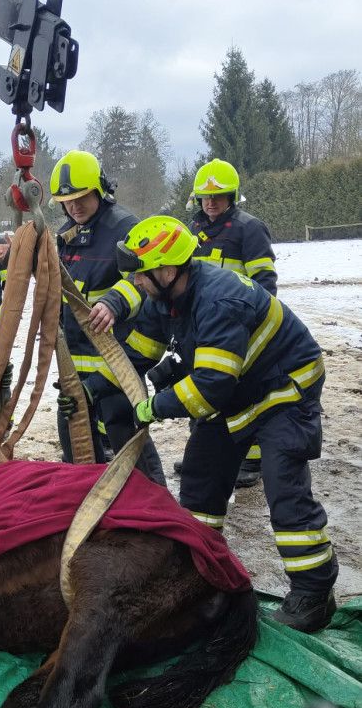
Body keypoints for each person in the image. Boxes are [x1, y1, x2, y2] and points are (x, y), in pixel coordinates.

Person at [92, 213, 337, 634]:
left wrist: (156, 407)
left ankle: (314, 594)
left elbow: (209, 390)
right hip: (235, 394)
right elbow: (136, 357)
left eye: (141, 274)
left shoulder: (219, 299)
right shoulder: (163, 300)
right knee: (201, 486)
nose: (135, 283)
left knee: (285, 492)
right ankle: (203, 572)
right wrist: (95, 387)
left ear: (168, 270)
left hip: (283, 392)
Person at [49, 150, 165, 485]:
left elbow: (144, 279)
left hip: (114, 362)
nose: (74, 207)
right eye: (67, 201)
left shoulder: (125, 227)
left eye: (82, 198)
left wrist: (114, 303)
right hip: (76, 362)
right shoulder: (68, 234)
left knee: (129, 443)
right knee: (76, 445)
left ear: (100, 190)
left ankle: (157, 512)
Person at [175, 157, 278, 488]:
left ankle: (251, 459)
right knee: (203, 389)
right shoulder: (192, 232)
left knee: (245, 393)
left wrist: (252, 327)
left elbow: (265, 284)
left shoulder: (249, 229)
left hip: (239, 327)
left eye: (217, 197)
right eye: (205, 198)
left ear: (233, 197)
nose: (211, 203)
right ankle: (204, 454)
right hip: (201, 328)